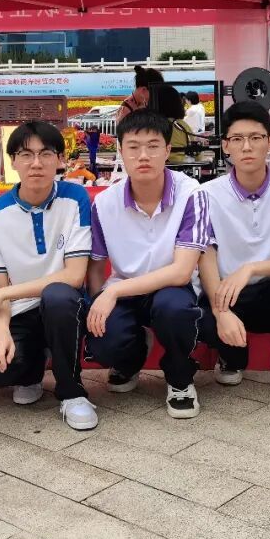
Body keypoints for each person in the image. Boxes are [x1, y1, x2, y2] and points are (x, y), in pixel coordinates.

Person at [86, 110, 210, 418]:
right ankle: (129, 359)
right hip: (125, 288)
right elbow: (96, 264)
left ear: (167, 150)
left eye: (153, 146)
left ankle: (180, 377)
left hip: (172, 289)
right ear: (120, 150)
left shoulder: (191, 194)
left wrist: (113, 292)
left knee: (174, 309)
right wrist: (98, 299)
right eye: (133, 146)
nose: (143, 156)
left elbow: (181, 271)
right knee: (103, 338)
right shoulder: (105, 202)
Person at [0, 122, 96, 431]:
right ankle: (30, 373)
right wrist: (1, 329)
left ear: (60, 159)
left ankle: (72, 392)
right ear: (13, 161)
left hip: (64, 306)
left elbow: (74, 275)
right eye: (26, 154)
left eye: (46, 154)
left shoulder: (75, 198)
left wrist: (3, 294)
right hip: (21, 312)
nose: (36, 163)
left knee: (58, 295)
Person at [197, 101, 270, 403]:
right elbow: (206, 256)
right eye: (237, 139)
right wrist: (220, 310)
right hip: (228, 293)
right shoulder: (207, 194)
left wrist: (251, 268)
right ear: (226, 146)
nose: (247, 147)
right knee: (194, 314)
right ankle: (231, 358)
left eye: (255, 137)